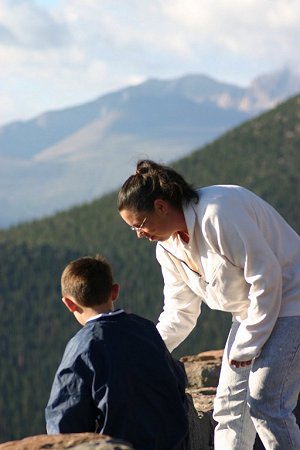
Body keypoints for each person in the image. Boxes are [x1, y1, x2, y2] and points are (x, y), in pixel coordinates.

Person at [118, 159, 300, 450]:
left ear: (162, 206)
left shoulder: (217, 214)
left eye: (139, 225)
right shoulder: (167, 248)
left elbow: (267, 279)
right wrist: (148, 353)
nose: (140, 234)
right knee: (228, 408)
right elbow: (179, 312)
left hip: (293, 301)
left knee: (267, 402)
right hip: (250, 312)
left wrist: (248, 344)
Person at [45, 255, 191, 450]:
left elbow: (64, 420)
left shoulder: (83, 347)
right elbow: (177, 381)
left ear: (69, 304)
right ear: (114, 291)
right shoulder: (146, 329)